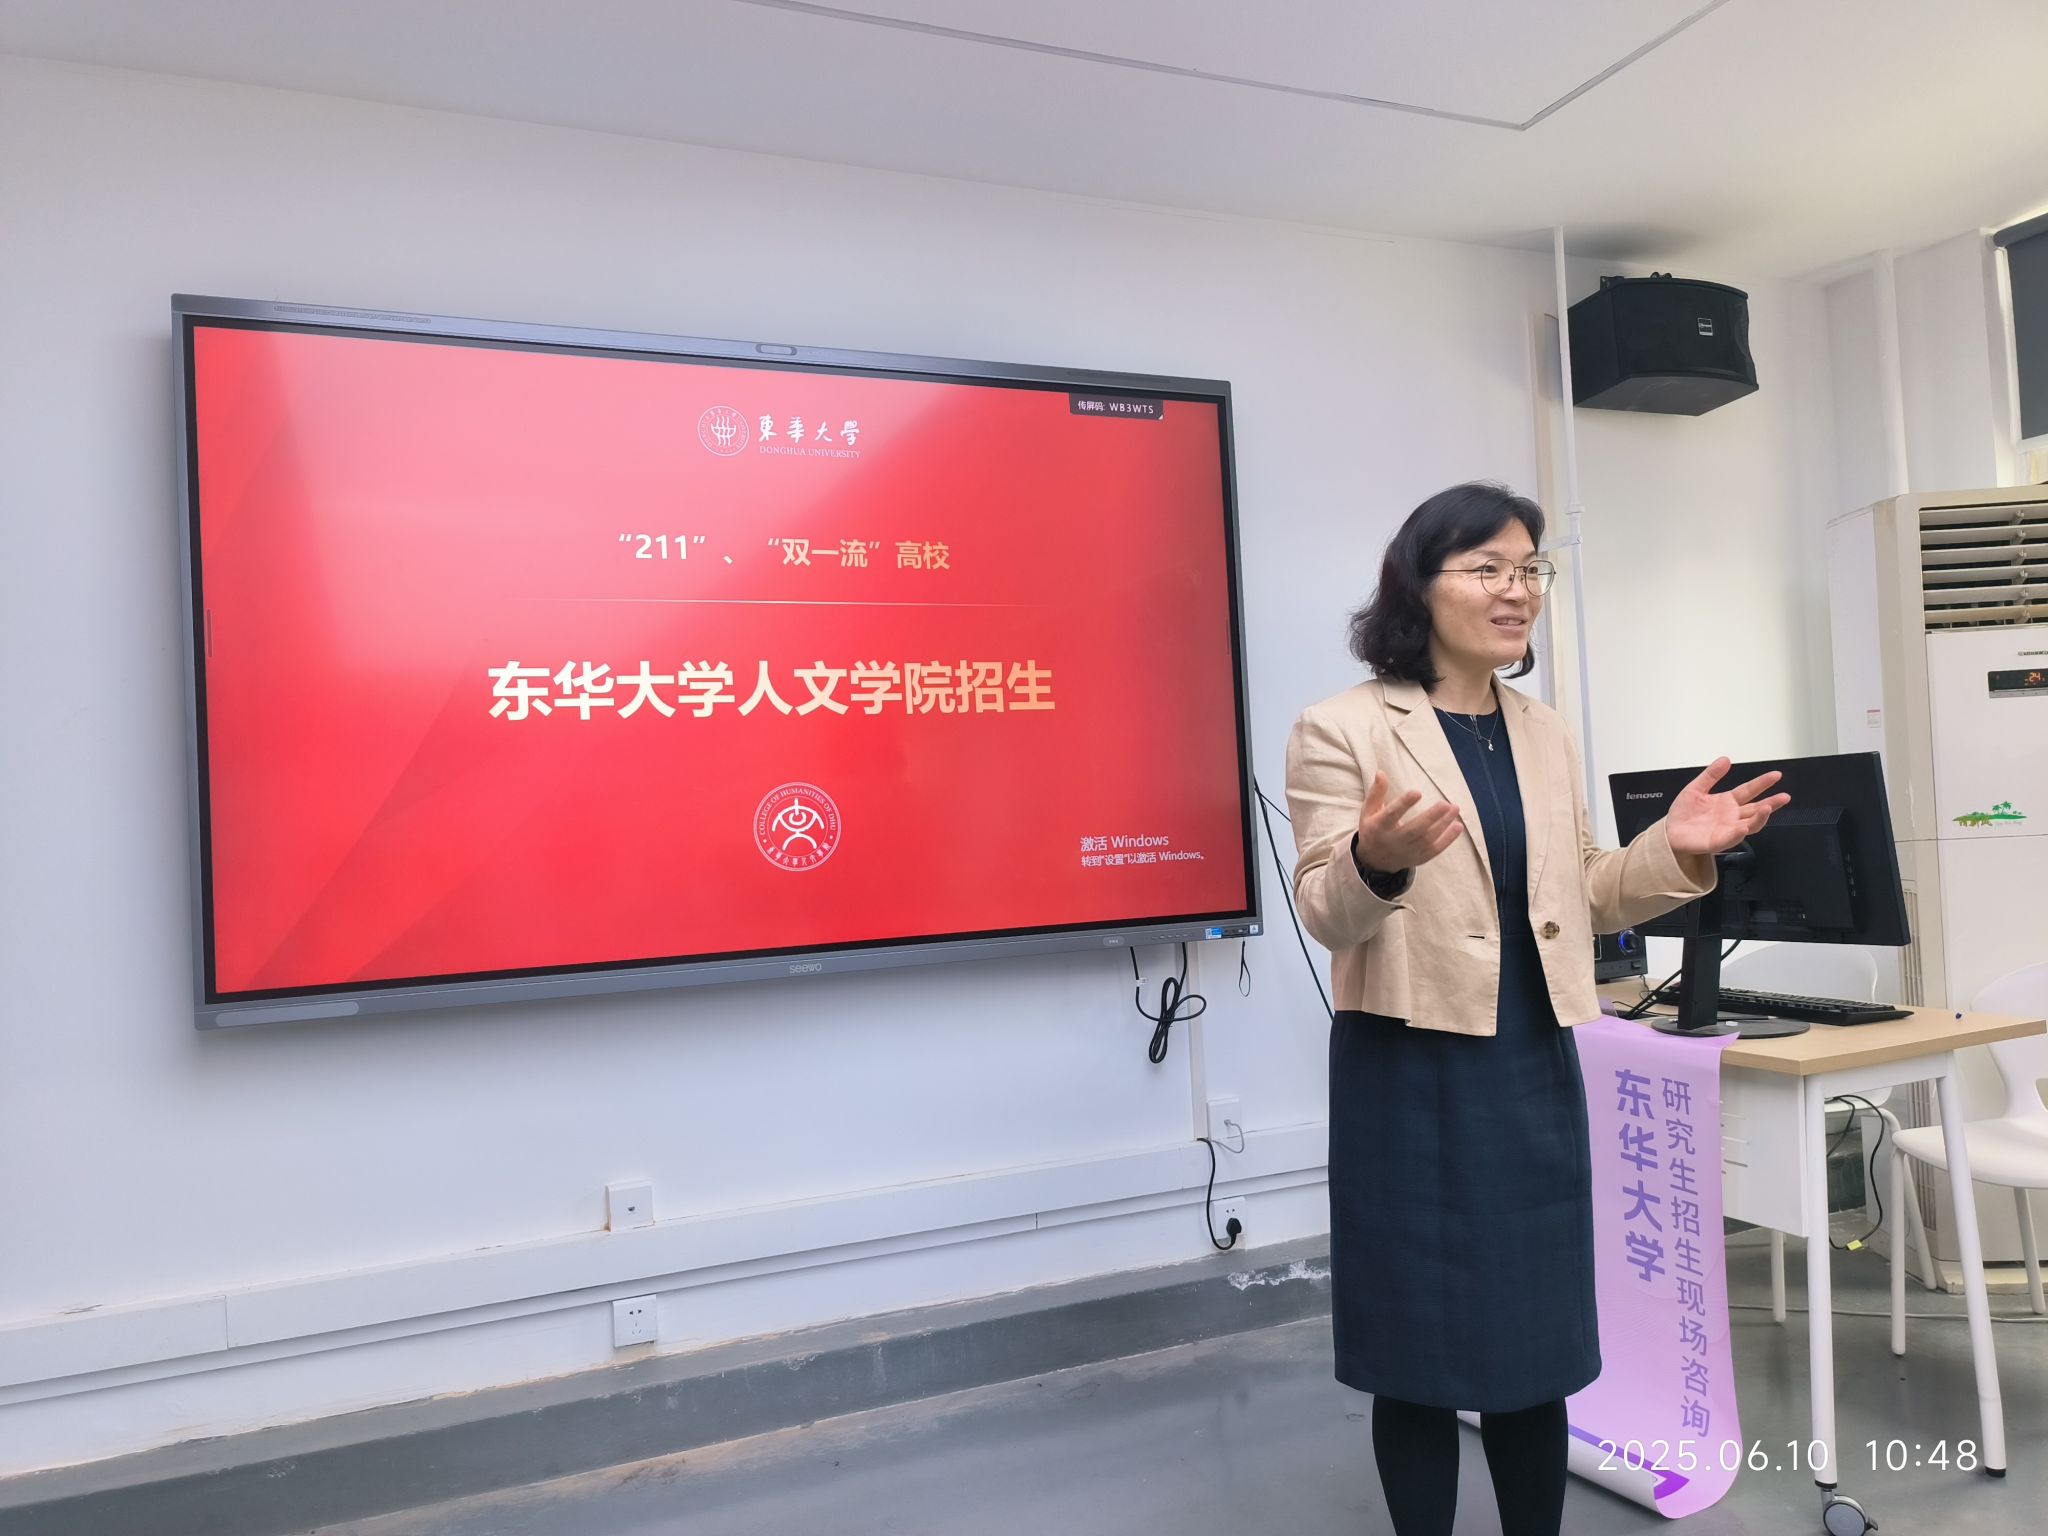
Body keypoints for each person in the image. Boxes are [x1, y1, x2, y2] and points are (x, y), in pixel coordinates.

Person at [1282, 482, 1788, 1536]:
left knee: (1534, 1342)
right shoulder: (1341, 728)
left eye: (1529, 570)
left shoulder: (1543, 731)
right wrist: (1375, 859)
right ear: (1418, 586)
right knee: (1415, 1352)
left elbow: (1586, 890)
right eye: (1487, 570)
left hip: (1528, 1064)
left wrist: (1671, 851)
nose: (1516, 592)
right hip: (1406, 1066)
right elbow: (1325, 912)